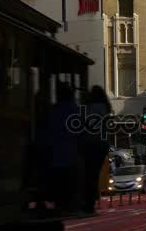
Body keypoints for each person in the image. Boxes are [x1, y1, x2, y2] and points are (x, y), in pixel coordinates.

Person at [48, 82, 82, 214]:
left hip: (56, 155)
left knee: (60, 182)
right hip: (71, 155)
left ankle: (60, 203)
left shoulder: (55, 109)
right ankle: (70, 203)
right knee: (68, 181)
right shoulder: (75, 109)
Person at [81, 86, 111, 214]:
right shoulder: (104, 108)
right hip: (100, 145)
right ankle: (91, 202)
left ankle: (87, 200)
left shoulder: (86, 108)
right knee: (94, 174)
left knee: (87, 174)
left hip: (87, 144)